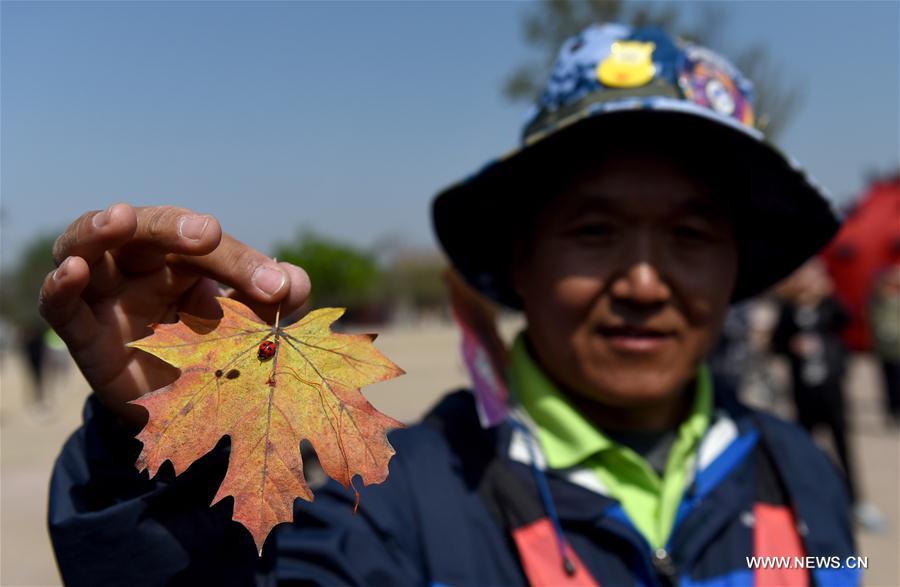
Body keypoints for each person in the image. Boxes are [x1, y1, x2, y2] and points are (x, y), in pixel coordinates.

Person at [43, 24, 858, 586]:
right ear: (519, 260)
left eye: (689, 234)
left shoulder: (801, 477)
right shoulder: (393, 507)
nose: (643, 283)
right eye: (595, 230)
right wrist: (167, 448)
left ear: (734, 265)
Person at [772, 259, 885, 532]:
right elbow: (775, 345)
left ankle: (856, 502)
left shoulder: (828, 307)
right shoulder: (788, 311)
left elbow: (849, 320)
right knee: (802, 452)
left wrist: (827, 293)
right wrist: (791, 345)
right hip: (803, 394)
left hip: (832, 393)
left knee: (844, 449)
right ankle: (804, 505)